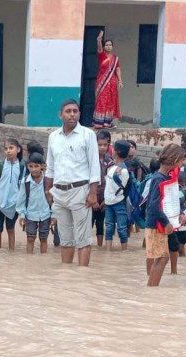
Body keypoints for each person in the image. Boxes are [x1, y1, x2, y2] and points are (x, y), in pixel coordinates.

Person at [45, 99, 101, 267]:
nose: (72, 114)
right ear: (60, 114)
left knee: (83, 239)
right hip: (59, 193)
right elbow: (50, 167)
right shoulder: (53, 137)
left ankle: (82, 276)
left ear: (79, 114)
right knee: (65, 239)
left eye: (75, 111)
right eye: (68, 111)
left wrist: (93, 193)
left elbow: (94, 166)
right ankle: (67, 276)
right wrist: (48, 191)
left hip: (80, 191)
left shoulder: (88, 135)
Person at [145, 144, 184, 286]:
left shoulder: (162, 178)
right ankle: (152, 288)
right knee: (162, 257)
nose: (182, 164)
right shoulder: (158, 179)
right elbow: (153, 206)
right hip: (156, 225)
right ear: (174, 161)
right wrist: (166, 222)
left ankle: (152, 286)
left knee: (160, 257)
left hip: (157, 223)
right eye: (181, 161)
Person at [0, 138, 24, 251]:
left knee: (11, 229)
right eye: (6, 149)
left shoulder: (22, 167)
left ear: (18, 149)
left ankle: (11, 252)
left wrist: (20, 203)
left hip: (14, 204)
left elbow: (23, 186)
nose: (8, 151)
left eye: (11, 148)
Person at [17, 153, 53, 254]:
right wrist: (22, 214)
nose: (33, 169)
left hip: (46, 214)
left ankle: (43, 259)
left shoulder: (47, 181)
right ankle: (29, 260)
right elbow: (21, 199)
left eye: (36, 166)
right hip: (30, 214)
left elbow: (53, 199)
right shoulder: (26, 182)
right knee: (30, 238)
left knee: (43, 238)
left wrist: (54, 214)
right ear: (27, 166)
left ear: (42, 166)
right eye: (31, 166)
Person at [104, 140, 132, 251]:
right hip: (108, 202)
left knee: (121, 228)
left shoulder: (123, 171)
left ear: (115, 152)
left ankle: (124, 251)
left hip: (118, 202)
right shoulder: (113, 167)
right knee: (109, 226)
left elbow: (123, 186)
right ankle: (108, 251)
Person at [92, 30, 123, 129]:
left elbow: (117, 69)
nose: (108, 46)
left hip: (112, 83)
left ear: (112, 47)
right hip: (102, 82)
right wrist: (99, 40)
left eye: (110, 45)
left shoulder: (115, 58)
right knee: (101, 101)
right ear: (104, 47)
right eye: (107, 45)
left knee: (110, 101)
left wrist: (120, 81)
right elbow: (99, 47)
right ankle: (98, 122)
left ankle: (108, 123)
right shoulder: (102, 55)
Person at [92, 129, 111, 248]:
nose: (102, 147)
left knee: (100, 224)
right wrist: (92, 199)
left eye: (105, 145)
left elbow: (111, 182)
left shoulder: (110, 161)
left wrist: (105, 200)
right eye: (100, 145)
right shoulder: (90, 160)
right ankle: (87, 247)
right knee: (88, 223)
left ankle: (99, 248)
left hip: (104, 197)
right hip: (91, 197)